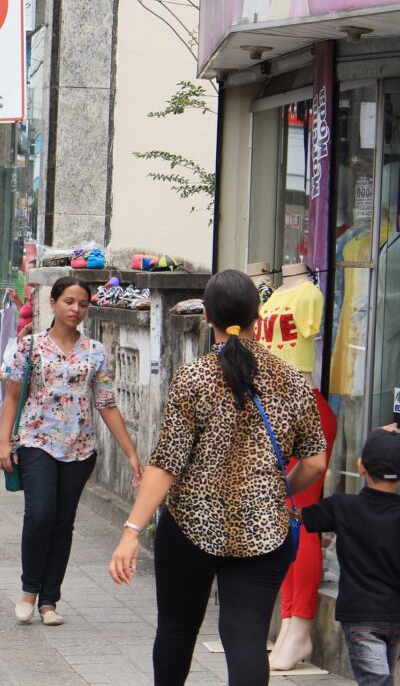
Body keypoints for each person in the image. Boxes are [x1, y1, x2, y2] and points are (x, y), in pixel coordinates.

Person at [108, 270, 328, 685]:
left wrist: (132, 530)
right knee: (245, 637)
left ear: (206, 316)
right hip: (263, 531)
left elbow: (167, 464)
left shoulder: (194, 378)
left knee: (176, 629)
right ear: (257, 317)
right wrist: (278, 490)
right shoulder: (292, 383)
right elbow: (316, 464)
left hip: (191, 527)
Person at [0, 276, 143, 626]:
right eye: (69, 301)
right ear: (53, 303)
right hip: (36, 441)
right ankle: (29, 590)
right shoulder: (30, 346)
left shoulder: (95, 352)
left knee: (63, 524)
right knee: (40, 514)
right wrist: (4, 441)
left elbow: (106, 403)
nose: (75, 309)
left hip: (80, 447)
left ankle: (49, 601)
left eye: (82, 304)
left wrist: (131, 453)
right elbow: (13, 394)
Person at [298, 426, 400, 686]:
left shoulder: (343, 507)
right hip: (394, 612)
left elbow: (301, 515)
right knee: (383, 674)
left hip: (360, 615)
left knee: (376, 680)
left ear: (360, 466)